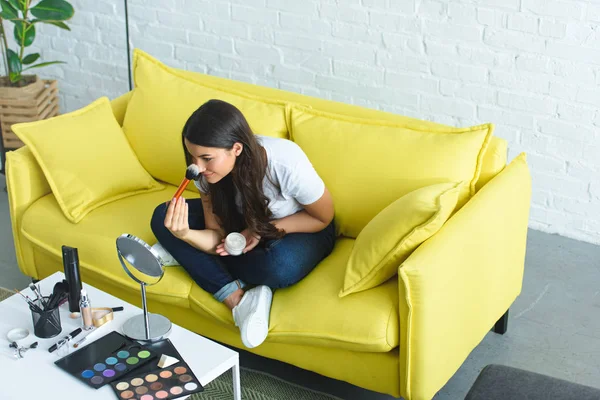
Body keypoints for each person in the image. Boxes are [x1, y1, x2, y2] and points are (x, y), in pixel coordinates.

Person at [150, 99, 336, 348]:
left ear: (236, 149)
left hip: (301, 226)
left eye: (207, 158)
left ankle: (188, 258)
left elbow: (323, 217)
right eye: (192, 156)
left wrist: (261, 230)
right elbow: (216, 235)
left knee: (277, 267)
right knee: (163, 217)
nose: (197, 167)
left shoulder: (284, 162)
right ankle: (236, 298)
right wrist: (185, 235)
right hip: (245, 223)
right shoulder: (205, 174)